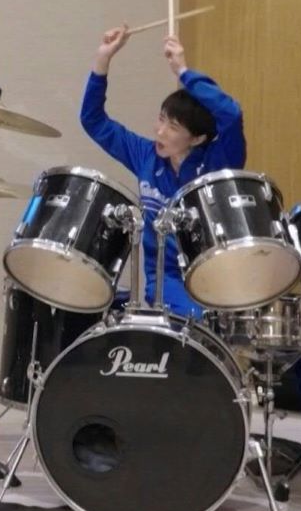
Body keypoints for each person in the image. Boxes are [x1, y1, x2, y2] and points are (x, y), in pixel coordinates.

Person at [80, 26, 246, 320]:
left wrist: (183, 71)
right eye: (161, 119)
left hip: (219, 274)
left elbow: (231, 114)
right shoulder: (146, 155)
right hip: (166, 281)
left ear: (196, 139)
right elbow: (94, 121)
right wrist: (103, 59)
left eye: (173, 127)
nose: (160, 131)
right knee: (197, 321)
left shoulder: (220, 160)